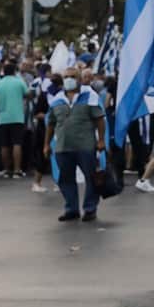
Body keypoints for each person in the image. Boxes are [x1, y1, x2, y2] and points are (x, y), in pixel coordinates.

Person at [44, 69, 106, 222]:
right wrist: (46, 144)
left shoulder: (90, 96)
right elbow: (51, 124)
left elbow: (99, 119)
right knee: (65, 179)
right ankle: (71, 209)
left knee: (91, 178)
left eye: (73, 77)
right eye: (66, 77)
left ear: (79, 79)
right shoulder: (56, 100)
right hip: (63, 147)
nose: (69, 80)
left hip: (86, 146)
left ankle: (90, 209)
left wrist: (101, 140)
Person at [0, 61, 31, 178]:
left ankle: (7, 170)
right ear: (14, 71)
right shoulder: (19, 82)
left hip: (2, 118)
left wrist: (1, 103)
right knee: (17, 144)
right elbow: (28, 95)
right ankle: (17, 170)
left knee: (4, 145)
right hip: (17, 117)